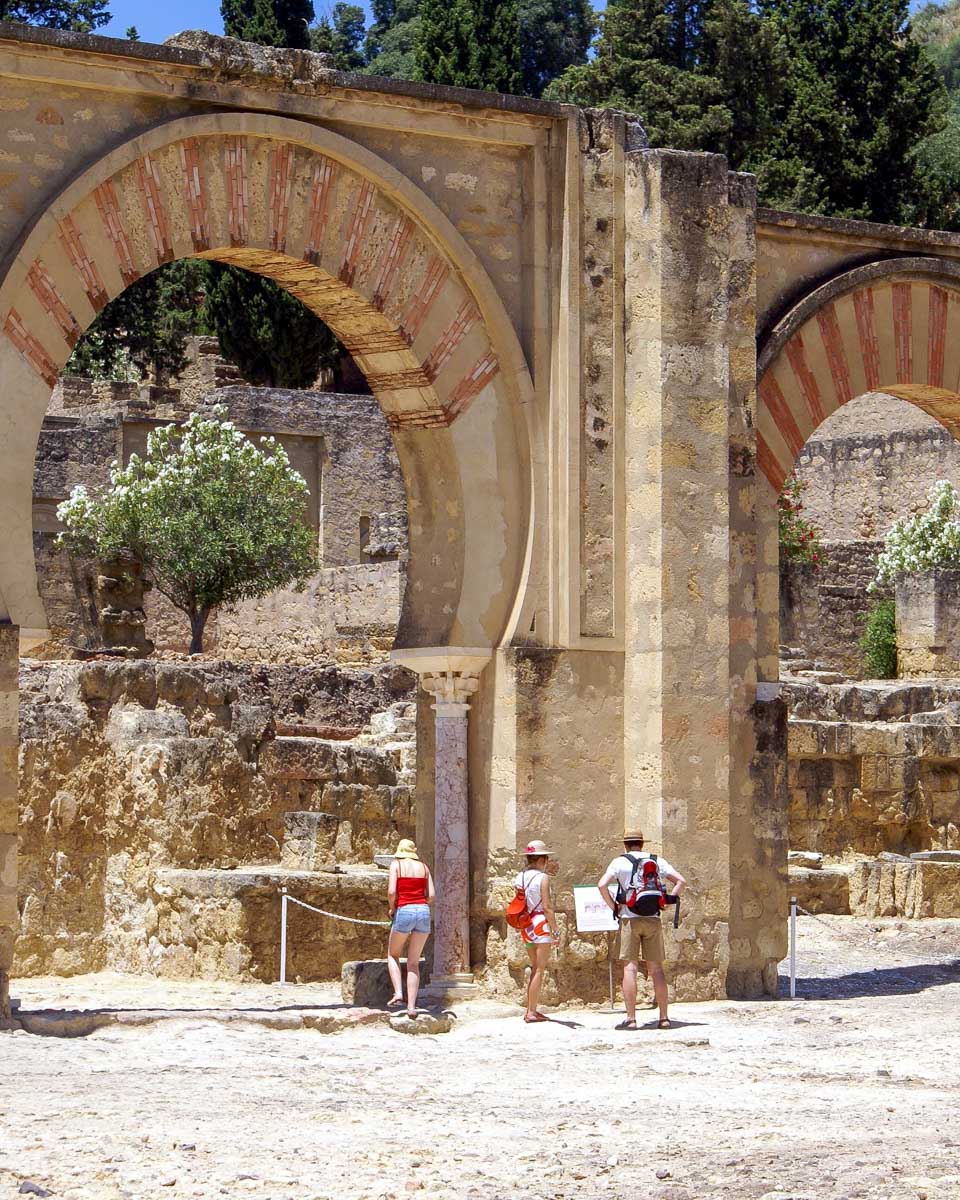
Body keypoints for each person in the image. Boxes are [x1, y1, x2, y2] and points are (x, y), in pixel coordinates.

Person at [597, 829, 686, 1030]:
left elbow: (602, 885)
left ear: (626, 845)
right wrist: (666, 901)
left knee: (630, 967)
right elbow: (682, 881)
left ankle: (631, 1019)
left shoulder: (619, 862)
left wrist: (615, 907)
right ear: (642, 844)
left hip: (630, 918)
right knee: (656, 969)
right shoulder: (656, 860)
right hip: (653, 918)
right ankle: (664, 1018)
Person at [386, 838, 435, 1018]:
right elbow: (431, 895)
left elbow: (392, 891)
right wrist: (419, 903)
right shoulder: (424, 868)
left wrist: (393, 908)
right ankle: (412, 1007)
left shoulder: (396, 865)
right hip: (423, 911)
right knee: (413, 962)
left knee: (393, 954)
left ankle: (398, 992)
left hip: (404, 909)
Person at [514, 839, 559, 1024]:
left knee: (534, 968)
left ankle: (531, 1008)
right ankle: (531, 1011)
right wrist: (555, 929)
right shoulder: (543, 878)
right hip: (541, 924)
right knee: (539, 969)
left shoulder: (519, 877)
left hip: (526, 924)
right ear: (542, 859)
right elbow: (547, 906)